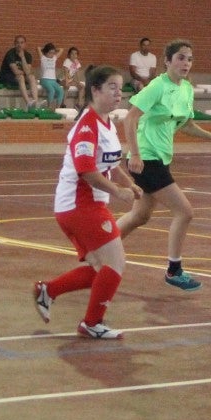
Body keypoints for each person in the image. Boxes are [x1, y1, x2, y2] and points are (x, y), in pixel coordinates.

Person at [33, 65, 141, 339]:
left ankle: (49, 290)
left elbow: (111, 163)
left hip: (86, 205)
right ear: (95, 90)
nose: (119, 93)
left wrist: (129, 184)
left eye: (120, 88)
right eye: (112, 87)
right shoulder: (87, 125)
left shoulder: (107, 123)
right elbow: (86, 171)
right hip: (79, 205)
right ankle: (92, 323)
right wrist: (118, 192)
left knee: (101, 269)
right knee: (115, 264)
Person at [118, 39, 211, 290]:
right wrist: (135, 154)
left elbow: (186, 124)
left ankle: (101, 248)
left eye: (189, 59)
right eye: (180, 57)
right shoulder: (157, 86)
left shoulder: (186, 89)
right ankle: (174, 270)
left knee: (139, 215)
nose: (186, 63)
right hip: (146, 159)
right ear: (167, 61)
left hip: (161, 158)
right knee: (184, 211)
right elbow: (130, 118)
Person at [0, 35, 39, 108]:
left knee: (32, 77)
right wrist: (26, 72)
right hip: (7, 75)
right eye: (17, 43)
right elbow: (16, 72)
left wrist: (22, 57)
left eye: (21, 43)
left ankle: (35, 102)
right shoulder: (10, 54)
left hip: (20, 75)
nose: (19, 45)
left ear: (25, 44)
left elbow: (28, 72)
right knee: (21, 77)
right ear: (14, 44)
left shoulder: (28, 55)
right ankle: (28, 102)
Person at [37, 43, 64, 109]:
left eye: (53, 53)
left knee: (61, 91)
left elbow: (61, 49)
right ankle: (49, 107)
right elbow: (38, 48)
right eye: (50, 53)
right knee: (52, 90)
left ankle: (57, 108)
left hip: (53, 80)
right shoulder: (43, 58)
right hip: (44, 79)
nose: (52, 55)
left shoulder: (54, 58)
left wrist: (53, 49)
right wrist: (45, 48)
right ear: (46, 52)